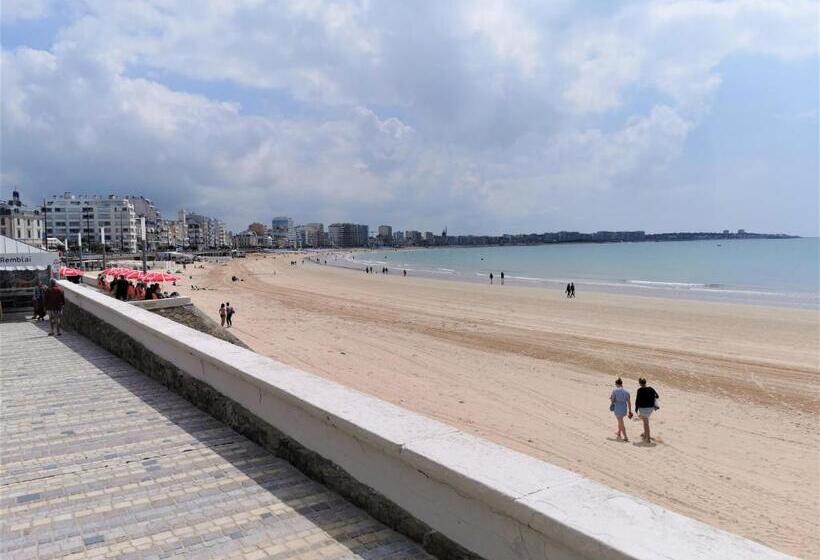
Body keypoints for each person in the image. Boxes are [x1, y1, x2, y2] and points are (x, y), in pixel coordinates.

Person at [635, 378, 660, 443]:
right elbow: (657, 396)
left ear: (640, 383)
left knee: (646, 423)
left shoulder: (639, 390)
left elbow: (637, 400)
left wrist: (636, 409)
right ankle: (645, 433)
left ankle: (648, 438)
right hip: (650, 408)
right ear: (645, 383)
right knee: (645, 421)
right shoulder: (651, 388)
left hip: (643, 408)